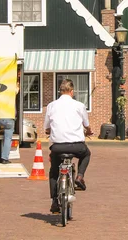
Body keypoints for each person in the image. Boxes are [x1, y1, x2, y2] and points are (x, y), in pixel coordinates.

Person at [44, 79, 92, 214]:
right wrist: (88, 130)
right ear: (72, 92)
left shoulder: (51, 106)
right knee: (86, 154)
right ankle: (80, 176)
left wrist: (49, 131)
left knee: (54, 172)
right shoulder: (79, 105)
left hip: (58, 147)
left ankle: (54, 201)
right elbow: (86, 124)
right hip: (76, 146)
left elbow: (47, 127)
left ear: (60, 91)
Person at [0, 80, 19, 164]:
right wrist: (17, 81)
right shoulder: (12, 92)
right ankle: (4, 158)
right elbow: (17, 88)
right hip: (9, 119)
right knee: (7, 138)